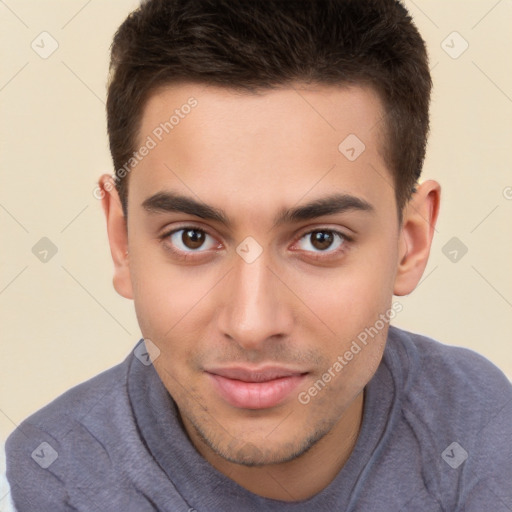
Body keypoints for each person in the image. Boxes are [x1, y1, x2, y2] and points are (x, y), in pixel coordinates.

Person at [5, 0, 512, 510]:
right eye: (192, 238)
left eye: (321, 239)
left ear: (411, 242)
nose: (251, 325)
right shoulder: (40, 486)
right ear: (122, 240)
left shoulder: (485, 433)